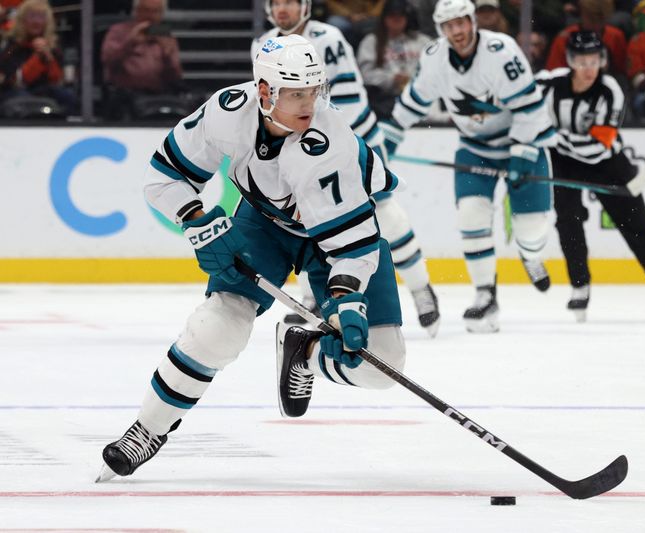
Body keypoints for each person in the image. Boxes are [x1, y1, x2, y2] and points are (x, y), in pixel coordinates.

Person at [97, 35, 408, 481]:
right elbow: (164, 176)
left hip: (338, 237)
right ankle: (147, 429)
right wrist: (196, 220)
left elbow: (353, 246)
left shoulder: (329, 144)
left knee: (383, 366)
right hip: (263, 223)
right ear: (264, 91)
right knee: (217, 327)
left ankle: (306, 349)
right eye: (294, 93)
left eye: (312, 91)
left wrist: (347, 299)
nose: (307, 104)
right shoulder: (228, 112)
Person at [252, 0, 440, 337]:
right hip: (301, 147)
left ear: (305, 6)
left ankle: (421, 288)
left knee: (385, 213)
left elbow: (350, 99)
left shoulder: (329, 38)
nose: (283, 8)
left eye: (290, 2)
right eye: (277, 1)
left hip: (353, 139)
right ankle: (312, 297)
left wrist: (334, 148)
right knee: (308, 218)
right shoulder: (262, 44)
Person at [381, 0, 557, 333]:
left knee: (531, 231)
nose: (457, 32)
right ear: (440, 30)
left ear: (473, 22)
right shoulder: (434, 59)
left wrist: (520, 153)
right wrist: (390, 138)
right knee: (471, 216)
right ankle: (485, 294)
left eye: (461, 23)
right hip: (475, 148)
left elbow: (530, 107)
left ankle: (531, 256)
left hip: (523, 143)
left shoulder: (501, 51)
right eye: (449, 26)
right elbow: (414, 102)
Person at [535, 31, 645, 321]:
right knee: (569, 219)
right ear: (570, 61)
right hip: (563, 162)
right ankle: (580, 286)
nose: (589, 68)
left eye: (595, 60)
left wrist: (551, 137)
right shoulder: (548, 83)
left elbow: (596, 149)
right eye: (581, 61)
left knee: (639, 229)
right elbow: (515, 100)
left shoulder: (610, 90)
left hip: (607, 164)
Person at [100, 0, 183, 119]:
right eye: (146, 10)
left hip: (158, 96)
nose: (150, 15)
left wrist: (167, 54)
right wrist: (130, 42)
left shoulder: (165, 34)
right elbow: (108, 60)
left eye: (155, 11)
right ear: (136, 11)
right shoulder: (118, 31)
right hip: (125, 95)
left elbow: (176, 76)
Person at [357, 0, 431, 120]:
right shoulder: (371, 42)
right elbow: (365, 75)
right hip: (386, 102)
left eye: (400, 15)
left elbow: (436, 69)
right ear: (384, 18)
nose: (396, 20)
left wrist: (415, 79)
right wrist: (391, 79)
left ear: (407, 18)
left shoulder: (423, 41)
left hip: (422, 97)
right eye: (392, 16)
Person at [0, 0, 75, 114]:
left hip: (44, 89)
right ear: (22, 20)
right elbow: (16, 80)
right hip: (15, 91)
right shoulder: (12, 46)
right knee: (23, 99)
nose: (36, 21)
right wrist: (37, 58)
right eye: (32, 16)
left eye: (41, 17)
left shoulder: (54, 46)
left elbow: (58, 80)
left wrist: (47, 56)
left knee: (68, 97)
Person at [545, 0, 627, 78]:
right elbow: (554, 73)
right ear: (582, 13)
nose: (595, 23)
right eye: (590, 17)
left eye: (599, 17)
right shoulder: (565, 38)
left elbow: (621, 72)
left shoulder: (616, 36)